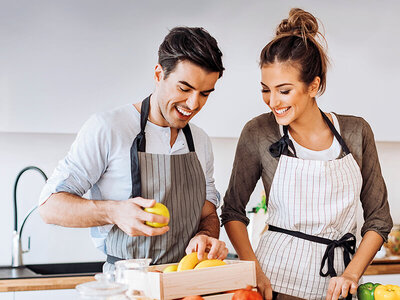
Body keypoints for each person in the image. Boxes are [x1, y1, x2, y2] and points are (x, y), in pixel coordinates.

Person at [221, 8, 393, 300]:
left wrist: (352, 273)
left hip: (339, 286)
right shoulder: (260, 132)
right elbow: (232, 211)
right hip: (275, 283)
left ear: (314, 85)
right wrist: (254, 270)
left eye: (284, 91)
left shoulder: (356, 132)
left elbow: (379, 219)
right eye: (266, 90)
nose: (273, 102)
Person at [39, 26, 228, 271]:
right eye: (184, 89)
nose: (193, 104)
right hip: (128, 287)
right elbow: (49, 207)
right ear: (159, 74)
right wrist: (114, 212)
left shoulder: (200, 141)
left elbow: (208, 213)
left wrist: (206, 235)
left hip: (185, 285)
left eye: (204, 93)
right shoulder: (109, 128)